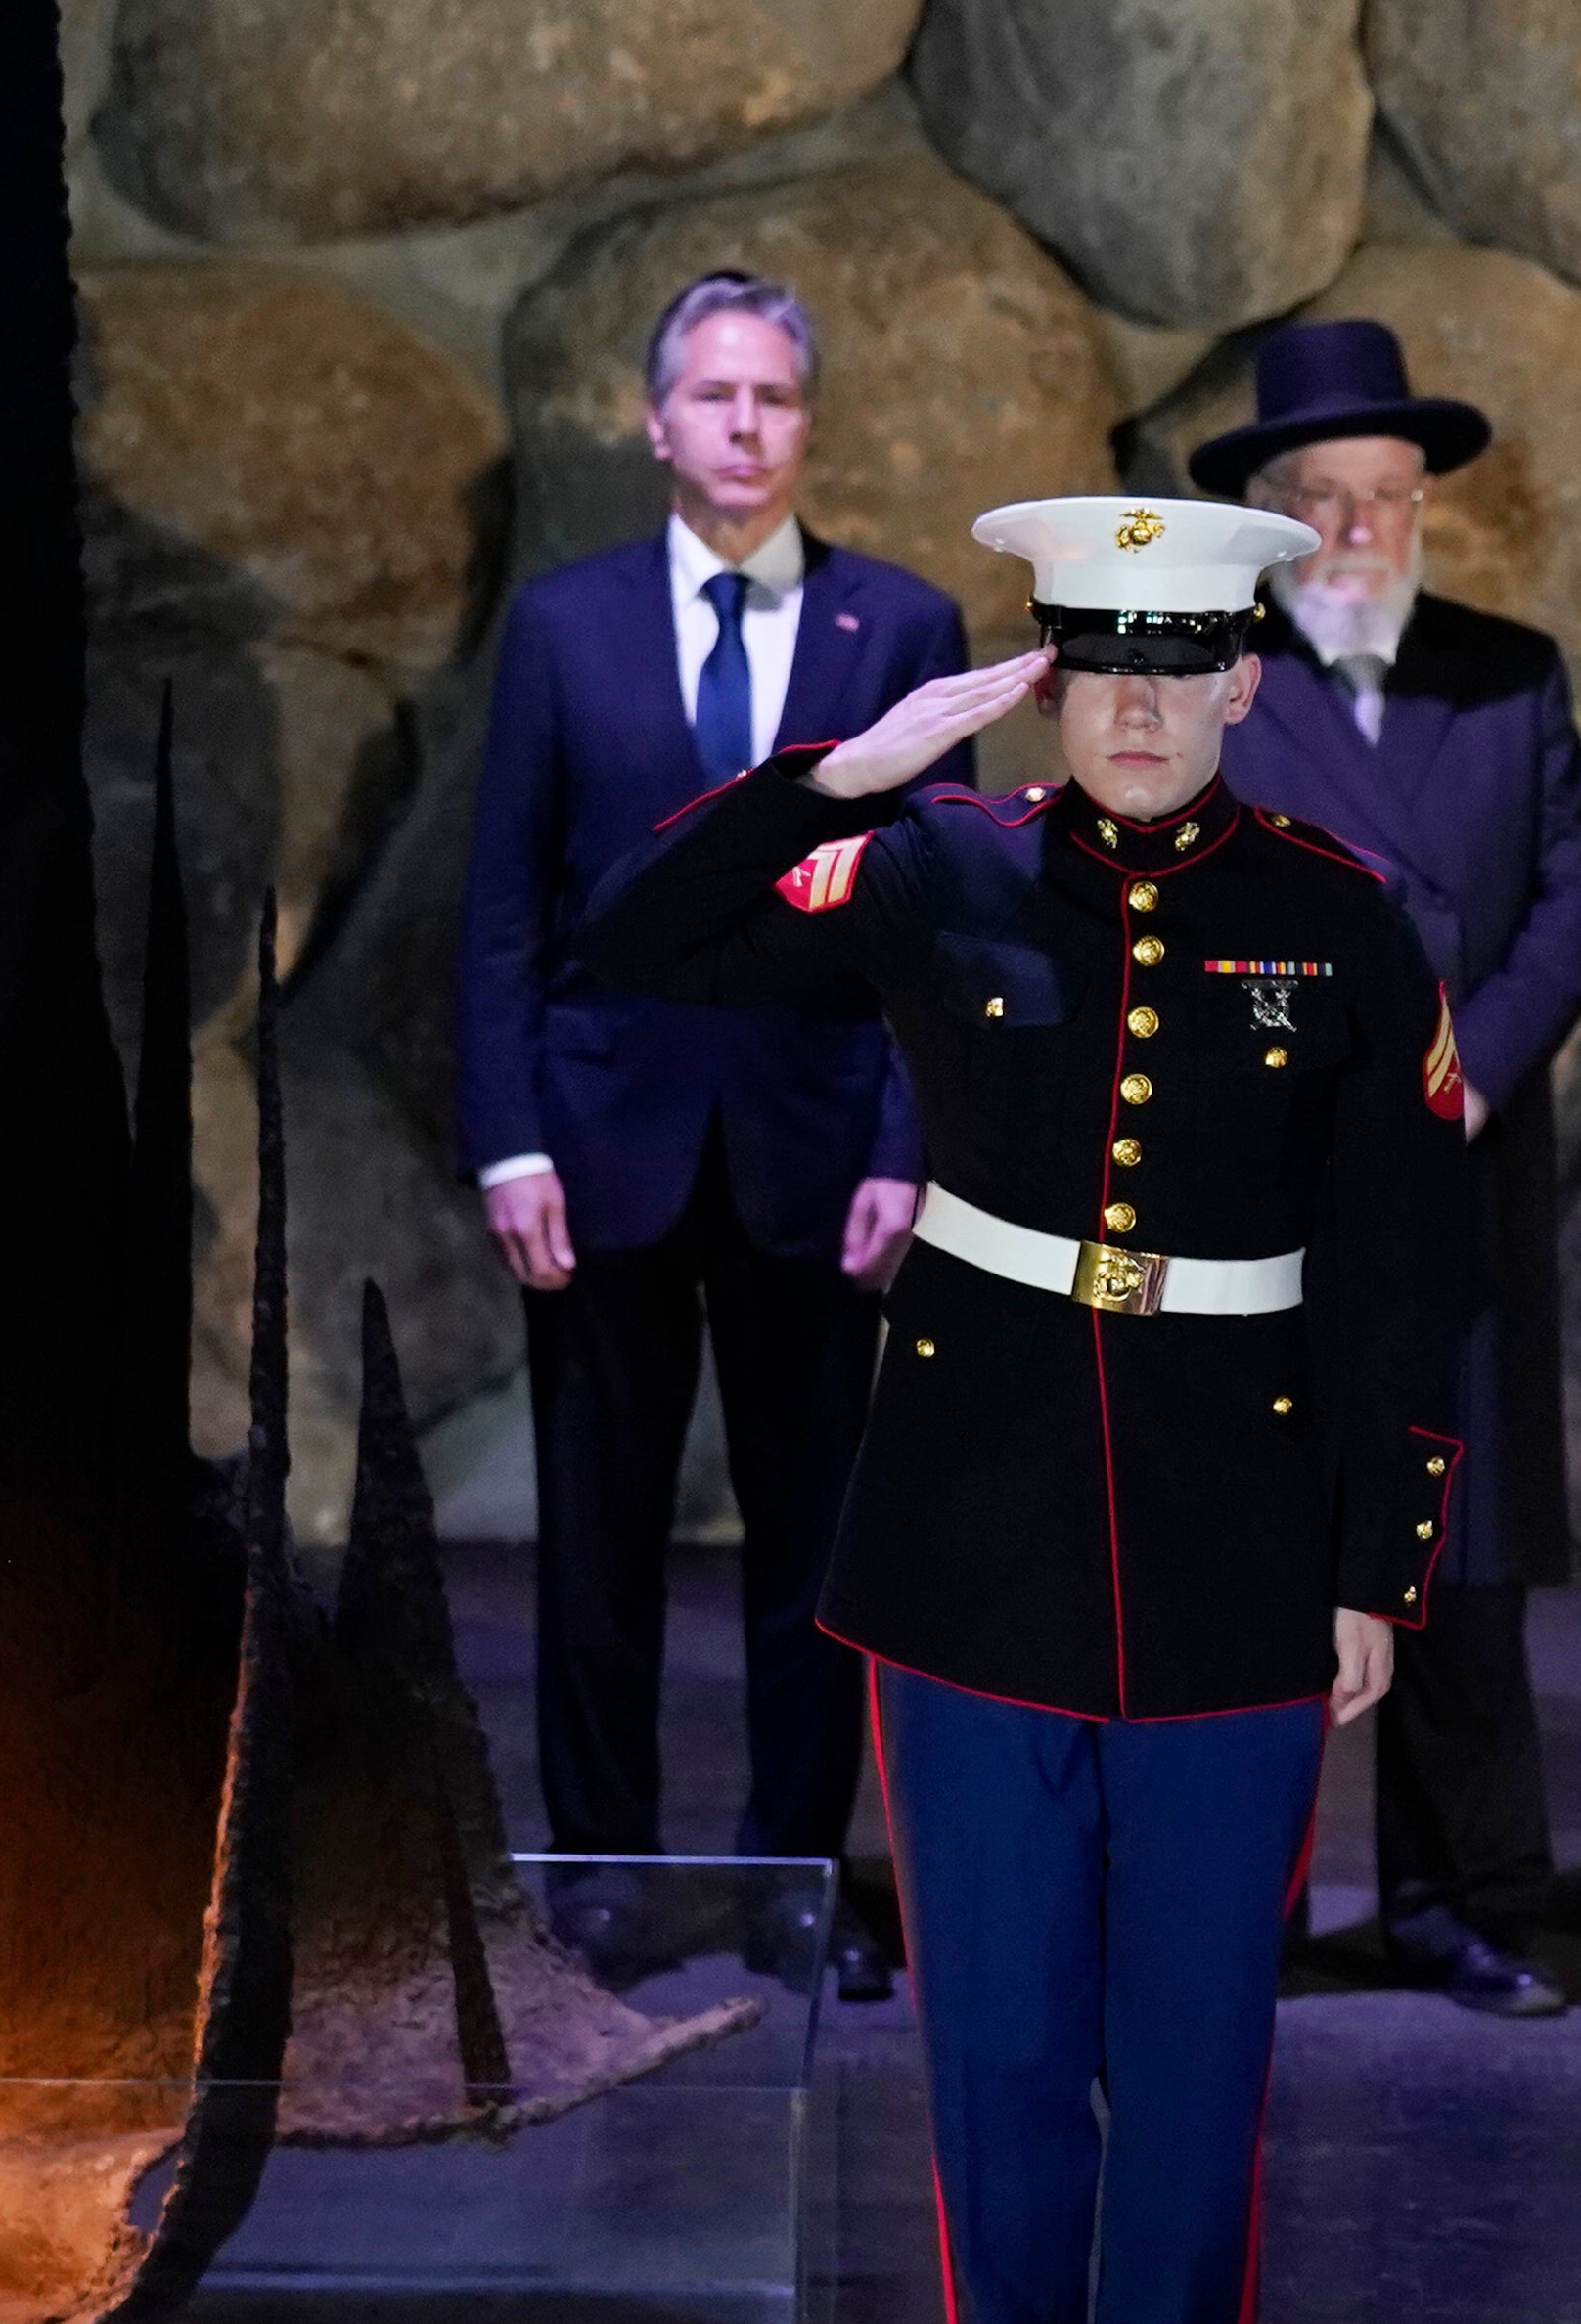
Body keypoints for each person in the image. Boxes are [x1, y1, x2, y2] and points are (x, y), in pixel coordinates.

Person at [576, 495, 1472, 2324]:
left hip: (1237, 1553)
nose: (1145, 702)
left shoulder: (1341, 922)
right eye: (1101, 662)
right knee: (989, 2060)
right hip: (969, 1547)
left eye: (1186, 661)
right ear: (1053, 679)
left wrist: (1382, 1563)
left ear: (1251, 677)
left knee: (1191, 2070)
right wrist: (853, 769)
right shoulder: (939, 861)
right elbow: (637, 929)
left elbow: (1404, 1275)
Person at [454, 270, 969, 1995]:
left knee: (817, 1543)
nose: (746, 427)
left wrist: (911, 1142)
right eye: (715, 396)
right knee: (592, 1536)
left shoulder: (894, 629)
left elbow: (937, 923)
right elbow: (502, 907)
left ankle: (794, 1880)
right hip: (601, 1151)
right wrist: (507, 1139)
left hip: (819, 1157)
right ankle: (596, 1874)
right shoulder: (562, 628)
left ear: (805, 424)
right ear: (653, 420)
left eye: (774, 399)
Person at [1205, 321, 1581, 2022]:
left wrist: (1463, 1073)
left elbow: (1573, 906)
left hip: (1460, 1176)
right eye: (1329, 499)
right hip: (1276, 1189)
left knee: (1461, 1547)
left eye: (1390, 495)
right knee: (1260, 1547)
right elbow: (1189, 902)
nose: (1364, 527)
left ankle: (1467, 1906)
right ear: (1280, 516)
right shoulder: (1210, 680)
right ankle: (1244, 1904)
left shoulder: (1507, 671)